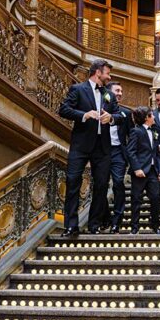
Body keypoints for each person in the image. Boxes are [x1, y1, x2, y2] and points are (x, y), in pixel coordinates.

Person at [58, 59, 118, 237]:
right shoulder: (78, 89)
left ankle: (94, 224)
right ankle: (71, 225)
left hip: (102, 147)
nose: (109, 76)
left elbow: (118, 114)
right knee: (73, 181)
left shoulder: (110, 95)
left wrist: (112, 118)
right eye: (107, 72)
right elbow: (63, 110)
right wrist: (84, 115)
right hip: (81, 144)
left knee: (101, 185)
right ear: (98, 72)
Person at [125, 106, 160, 234]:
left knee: (155, 198)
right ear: (146, 118)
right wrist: (137, 168)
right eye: (152, 115)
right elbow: (130, 152)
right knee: (136, 199)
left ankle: (155, 225)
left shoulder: (154, 132)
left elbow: (157, 154)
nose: (154, 117)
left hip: (153, 171)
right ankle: (134, 227)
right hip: (140, 171)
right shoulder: (136, 131)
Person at [100, 80, 132, 233]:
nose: (119, 93)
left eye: (121, 91)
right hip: (102, 151)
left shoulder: (126, 112)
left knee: (118, 182)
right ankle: (105, 218)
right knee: (100, 185)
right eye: (116, 91)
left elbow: (132, 135)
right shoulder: (100, 109)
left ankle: (117, 220)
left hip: (119, 151)